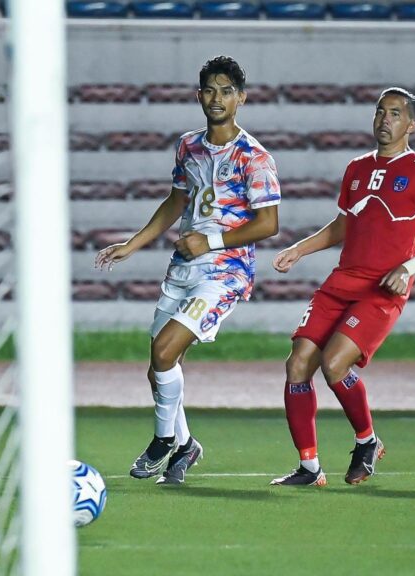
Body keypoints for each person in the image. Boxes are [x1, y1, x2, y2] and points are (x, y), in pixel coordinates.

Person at [95, 55, 281, 485]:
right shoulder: (189, 145)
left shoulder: (254, 157)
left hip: (224, 273)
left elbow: (269, 224)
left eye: (226, 91)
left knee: (163, 352)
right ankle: (186, 446)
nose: (217, 99)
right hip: (183, 268)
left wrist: (210, 240)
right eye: (210, 90)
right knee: (159, 365)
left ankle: (163, 441)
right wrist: (133, 244)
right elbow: (176, 201)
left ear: (241, 98)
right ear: (199, 96)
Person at [269, 87, 415, 487]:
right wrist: (299, 250)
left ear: (411, 125)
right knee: (297, 364)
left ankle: (367, 441)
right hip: (341, 281)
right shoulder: (356, 168)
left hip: (382, 290)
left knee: (335, 364)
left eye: (396, 114)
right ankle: (310, 467)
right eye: (381, 112)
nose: (386, 120)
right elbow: (342, 226)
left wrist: (409, 266)